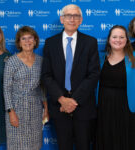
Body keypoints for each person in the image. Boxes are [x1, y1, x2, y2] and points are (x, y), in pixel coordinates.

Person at [42, 4, 100, 150]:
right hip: (59, 107)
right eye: (68, 16)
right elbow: (46, 75)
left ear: (81, 20)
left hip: (83, 107)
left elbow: (93, 74)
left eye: (76, 16)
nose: (72, 19)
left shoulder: (90, 42)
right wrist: (62, 100)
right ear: (62, 19)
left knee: (84, 146)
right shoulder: (50, 43)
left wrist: (73, 101)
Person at [3, 26, 49, 150]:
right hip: (16, 109)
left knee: (34, 145)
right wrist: (11, 112)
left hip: (35, 109)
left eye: (30, 38)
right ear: (19, 42)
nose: (27, 41)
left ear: (35, 41)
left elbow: (43, 88)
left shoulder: (41, 61)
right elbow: (6, 89)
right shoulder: (11, 62)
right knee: (17, 146)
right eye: (24, 38)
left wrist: (46, 109)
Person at [96, 25, 135, 150]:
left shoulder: (133, 58)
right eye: (114, 37)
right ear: (109, 39)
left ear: (127, 40)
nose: (118, 40)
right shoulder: (99, 58)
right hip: (103, 107)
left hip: (126, 107)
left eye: (122, 37)